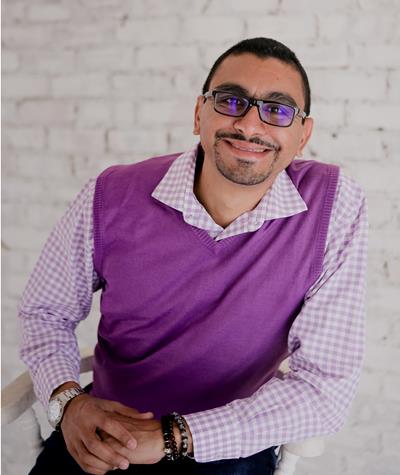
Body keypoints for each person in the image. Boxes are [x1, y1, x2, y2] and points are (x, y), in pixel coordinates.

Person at [20, 37, 368, 475]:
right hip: (105, 429)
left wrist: (173, 436)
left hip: (230, 443)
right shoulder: (112, 194)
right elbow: (46, 312)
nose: (250, 124)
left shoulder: (333, 206)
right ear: (199, 113)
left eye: (277, 110)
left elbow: (324, 385)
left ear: (303, 135)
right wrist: (68, 401)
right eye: (230, 101)